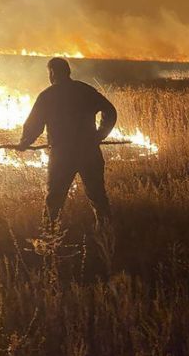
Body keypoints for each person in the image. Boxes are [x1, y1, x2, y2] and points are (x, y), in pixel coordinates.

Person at [17, 57, 117, 228]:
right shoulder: (85, 90)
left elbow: (34, 125)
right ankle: (106, 231)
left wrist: (25, 142)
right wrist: (100, 135)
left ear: (52, 73)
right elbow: (110, 111)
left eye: (49, 72)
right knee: (98, 195)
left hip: (62, 155)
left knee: (55, 198)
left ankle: (50, 235)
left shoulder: (48, 96)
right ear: (68, 71)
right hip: (89, 152)